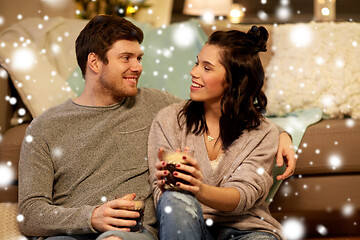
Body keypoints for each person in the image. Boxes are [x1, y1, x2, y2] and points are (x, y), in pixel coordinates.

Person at [18, 15, 294, 240]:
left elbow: (227, 109)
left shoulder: (155, 104)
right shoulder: (45, 127)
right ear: (94, 62)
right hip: (70, 233)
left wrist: (282, 134)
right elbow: (30, 213)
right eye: (126, 58)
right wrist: (91, 217)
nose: (137, 67)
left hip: (130, 232)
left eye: (139, 58)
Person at [148, 26, 286, 239]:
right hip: (188, 225)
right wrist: (172, 184)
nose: (194, 72)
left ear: (234, 80)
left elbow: (244, 196)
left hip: (245, 230)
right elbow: (164, 198)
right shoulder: (170, 120)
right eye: (197, 63)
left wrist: (198, 188)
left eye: (207, 68)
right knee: (173, 199)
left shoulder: (264, 133)